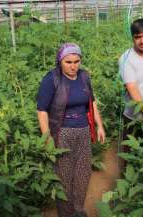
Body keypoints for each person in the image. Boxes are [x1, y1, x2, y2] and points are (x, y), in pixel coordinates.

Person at [36, 43, 105, 217]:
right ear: (60, 61)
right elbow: (42, 110)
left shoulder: (84, 77)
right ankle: (65, 213)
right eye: (68, 62)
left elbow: (92, 103)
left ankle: (78, 211)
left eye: (77, 61)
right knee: (64, 178)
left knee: (83, 174)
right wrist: (47, 137)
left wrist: (99, 125)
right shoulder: (51, 79)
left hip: (83, 132)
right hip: (62, 133)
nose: (73, 66)